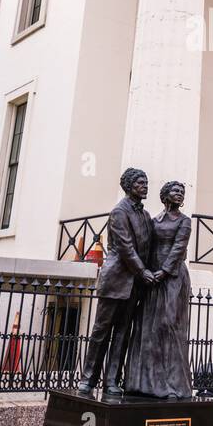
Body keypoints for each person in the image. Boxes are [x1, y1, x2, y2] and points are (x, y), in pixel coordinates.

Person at [77, 167, 154, 399]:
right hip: (117, 280)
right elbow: (125, 248)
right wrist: (143, 272)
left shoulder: (145, 215)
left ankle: (112, 381)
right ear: (130, 186)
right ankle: (88, 379)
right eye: (141, 182)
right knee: (101, 332)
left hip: (134, 285)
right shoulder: (119, 212)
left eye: (146, 182)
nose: (145, 186)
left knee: (123, 334)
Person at [123, 180, 193, 400]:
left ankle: (173, 383)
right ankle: (144, 382)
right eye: (175, 191)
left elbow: (178, 248)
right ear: (165, 195)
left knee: (168, 326)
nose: (179, 194)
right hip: (152, 279)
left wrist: (162, 272)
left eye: (182, 191)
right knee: (147, 328)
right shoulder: (153, 220)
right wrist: (145, 272)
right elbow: (145, 246)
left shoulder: (184, 222)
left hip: (172, 278)